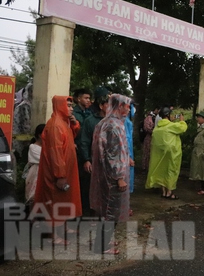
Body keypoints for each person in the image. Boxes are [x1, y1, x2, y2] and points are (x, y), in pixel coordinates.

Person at [33, 96, 81, 245]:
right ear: (60, 106)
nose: (71, 108)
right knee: (54, 202)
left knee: (63, 200)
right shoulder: (55, 125)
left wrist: (74, 124)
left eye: (71, 105)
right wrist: (60, 175)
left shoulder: (64, 122)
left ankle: (64, 228)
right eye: (68, 105)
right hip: (57, 173)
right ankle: (53, 236)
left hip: (66, 170)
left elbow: (72, 137)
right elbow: (55, 152)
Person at [89, 94, 131, 255]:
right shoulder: (114, 125)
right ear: (118, 106)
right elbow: (114, 154)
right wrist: (119, 177)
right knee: (111, 211)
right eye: (125, 106)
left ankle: (103, 240)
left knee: (105, 209)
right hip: (113, 177)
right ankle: (102, 245)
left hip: (104, 174)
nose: (128, 109)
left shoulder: (104, 123)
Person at [145, 107, 187, 199]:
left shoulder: (157, 128)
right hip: (171, 154)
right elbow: (183, 128)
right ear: (168, 115)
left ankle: (163, 192)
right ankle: (169, 192)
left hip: (159, 154)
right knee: (171, 171)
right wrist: (182, 121)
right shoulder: (171, 126)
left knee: (161, 172)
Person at [78, 93, 109, 217]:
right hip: (94, 160)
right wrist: (86, 160)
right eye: (109, 105)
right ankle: (90, 213)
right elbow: (84, 142)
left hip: (109, 162)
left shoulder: (116, 122)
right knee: (91, 188)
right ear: (101, 106)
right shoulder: (90, 121)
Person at [23, 124, 46, 206]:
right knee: (33, 198)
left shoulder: (47, 147)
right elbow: (44, 160)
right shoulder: (33, 147)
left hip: (45, 174)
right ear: (40, 135)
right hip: (35, 174)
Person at [12, 82, 33, 160]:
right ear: (28, 92)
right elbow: (26, 124)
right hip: (22, 137)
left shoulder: (32, 104)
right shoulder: (25, 105)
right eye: (32, 91)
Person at [142, 107, 159, 171]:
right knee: (147, 152)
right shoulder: (149, 117)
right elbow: (146, 128)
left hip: (153, 137)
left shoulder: (156, 117)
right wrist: (153, 130)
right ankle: (145, 167)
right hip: (149, 137)